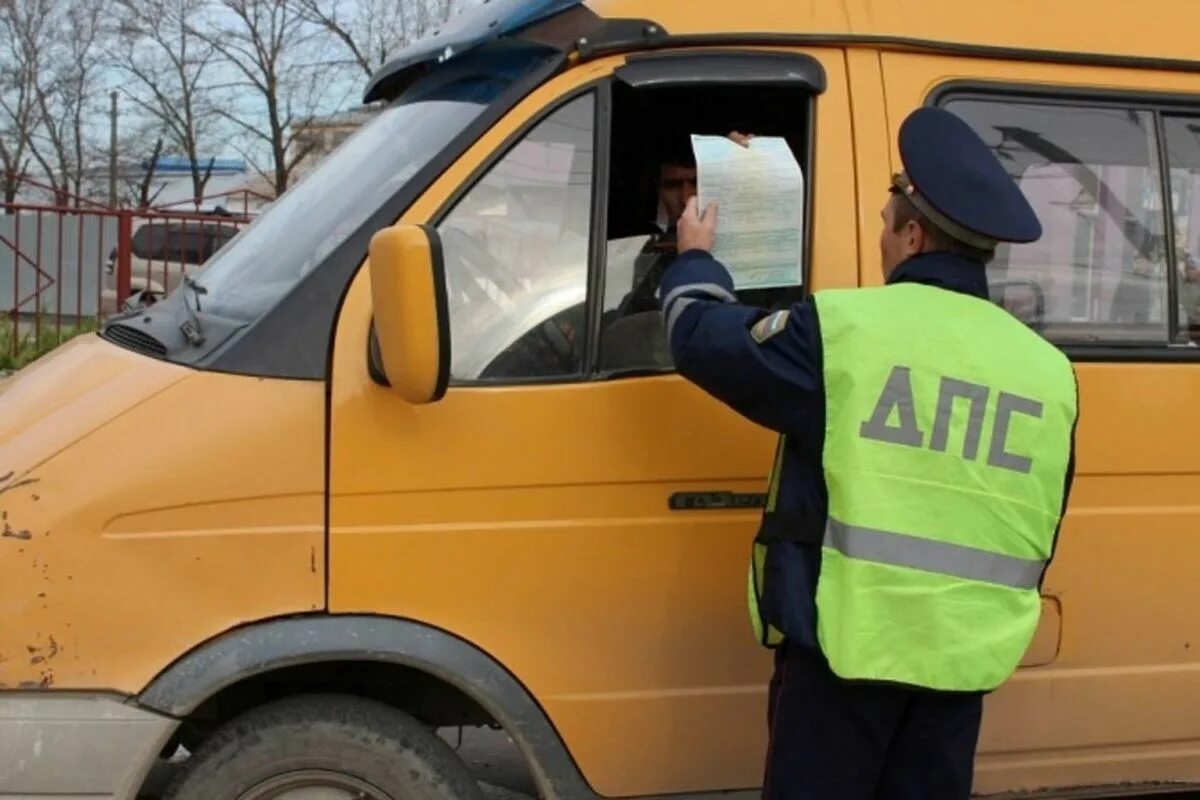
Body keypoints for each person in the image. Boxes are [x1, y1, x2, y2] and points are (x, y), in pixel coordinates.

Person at [658, 107, 1079, 799]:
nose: (880, 240)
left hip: (848, 656)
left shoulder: (848, 331)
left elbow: (702, 340)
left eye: (886, 226)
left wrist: (696, 255)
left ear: (912, 236)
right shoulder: (1047, 371)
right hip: (959, 665)